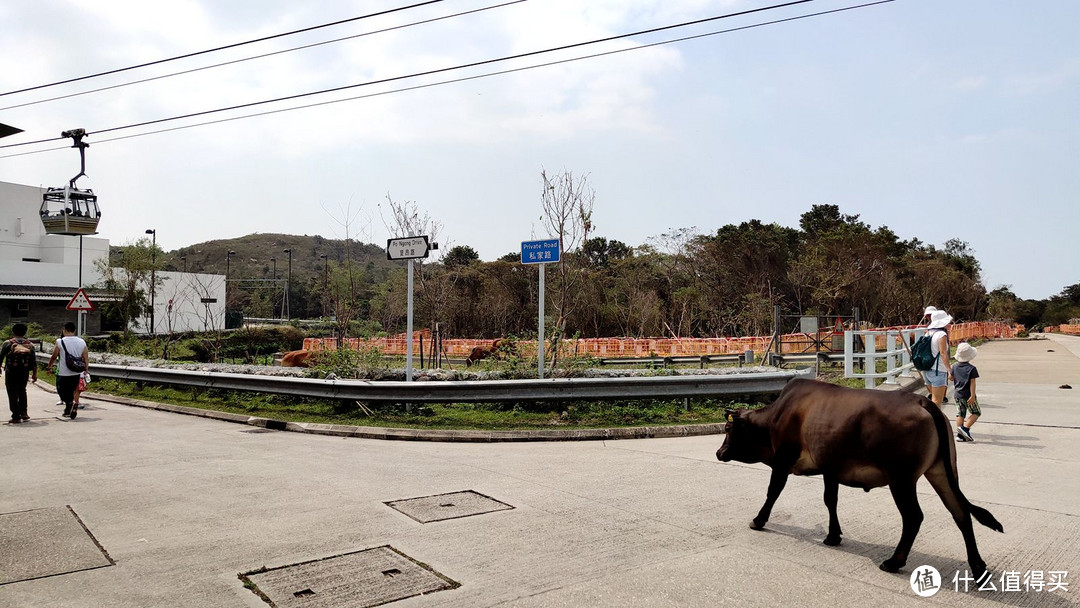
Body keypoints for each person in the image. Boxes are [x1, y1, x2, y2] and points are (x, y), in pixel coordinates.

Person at [46, 322, 89, 419]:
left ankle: (70, 403)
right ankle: (68, 409)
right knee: (72, 390)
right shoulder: (82, 342)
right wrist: (86, 369)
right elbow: (86, 358)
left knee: (61, 391)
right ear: (74, 330)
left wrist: (49, 367)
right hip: (76, 372)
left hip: (63, 372)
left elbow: (54, 356)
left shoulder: (60, 341)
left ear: (64, 330)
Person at [1, 323, 38, 423]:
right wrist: (34, 374)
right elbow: (34, 361)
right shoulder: (29, 344)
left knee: (12, 392)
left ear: (13, 331)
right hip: (24, 372)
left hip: (11, 372)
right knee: (22, 391)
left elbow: (1, 357)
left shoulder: (7, 343)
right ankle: (24, 413)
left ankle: (16, 416)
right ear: (25, 332)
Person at [923, 309, 953, 407]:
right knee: (936, 402)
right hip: (938, 370)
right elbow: (943, 353)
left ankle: (929, 420)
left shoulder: (927, 333)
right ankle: (934, 422)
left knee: (932, 401)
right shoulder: (941, 334)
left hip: (927, 370)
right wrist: (949, 370)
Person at [952, 342, 981, 442]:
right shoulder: (972, 369)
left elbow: (950, 377)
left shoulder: (954, 366)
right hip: (968, 395)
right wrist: (972, 395)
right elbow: (972, 383)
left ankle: (959, 435)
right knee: (976, 412)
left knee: (960, 413)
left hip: (957, 394)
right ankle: (965, 428)